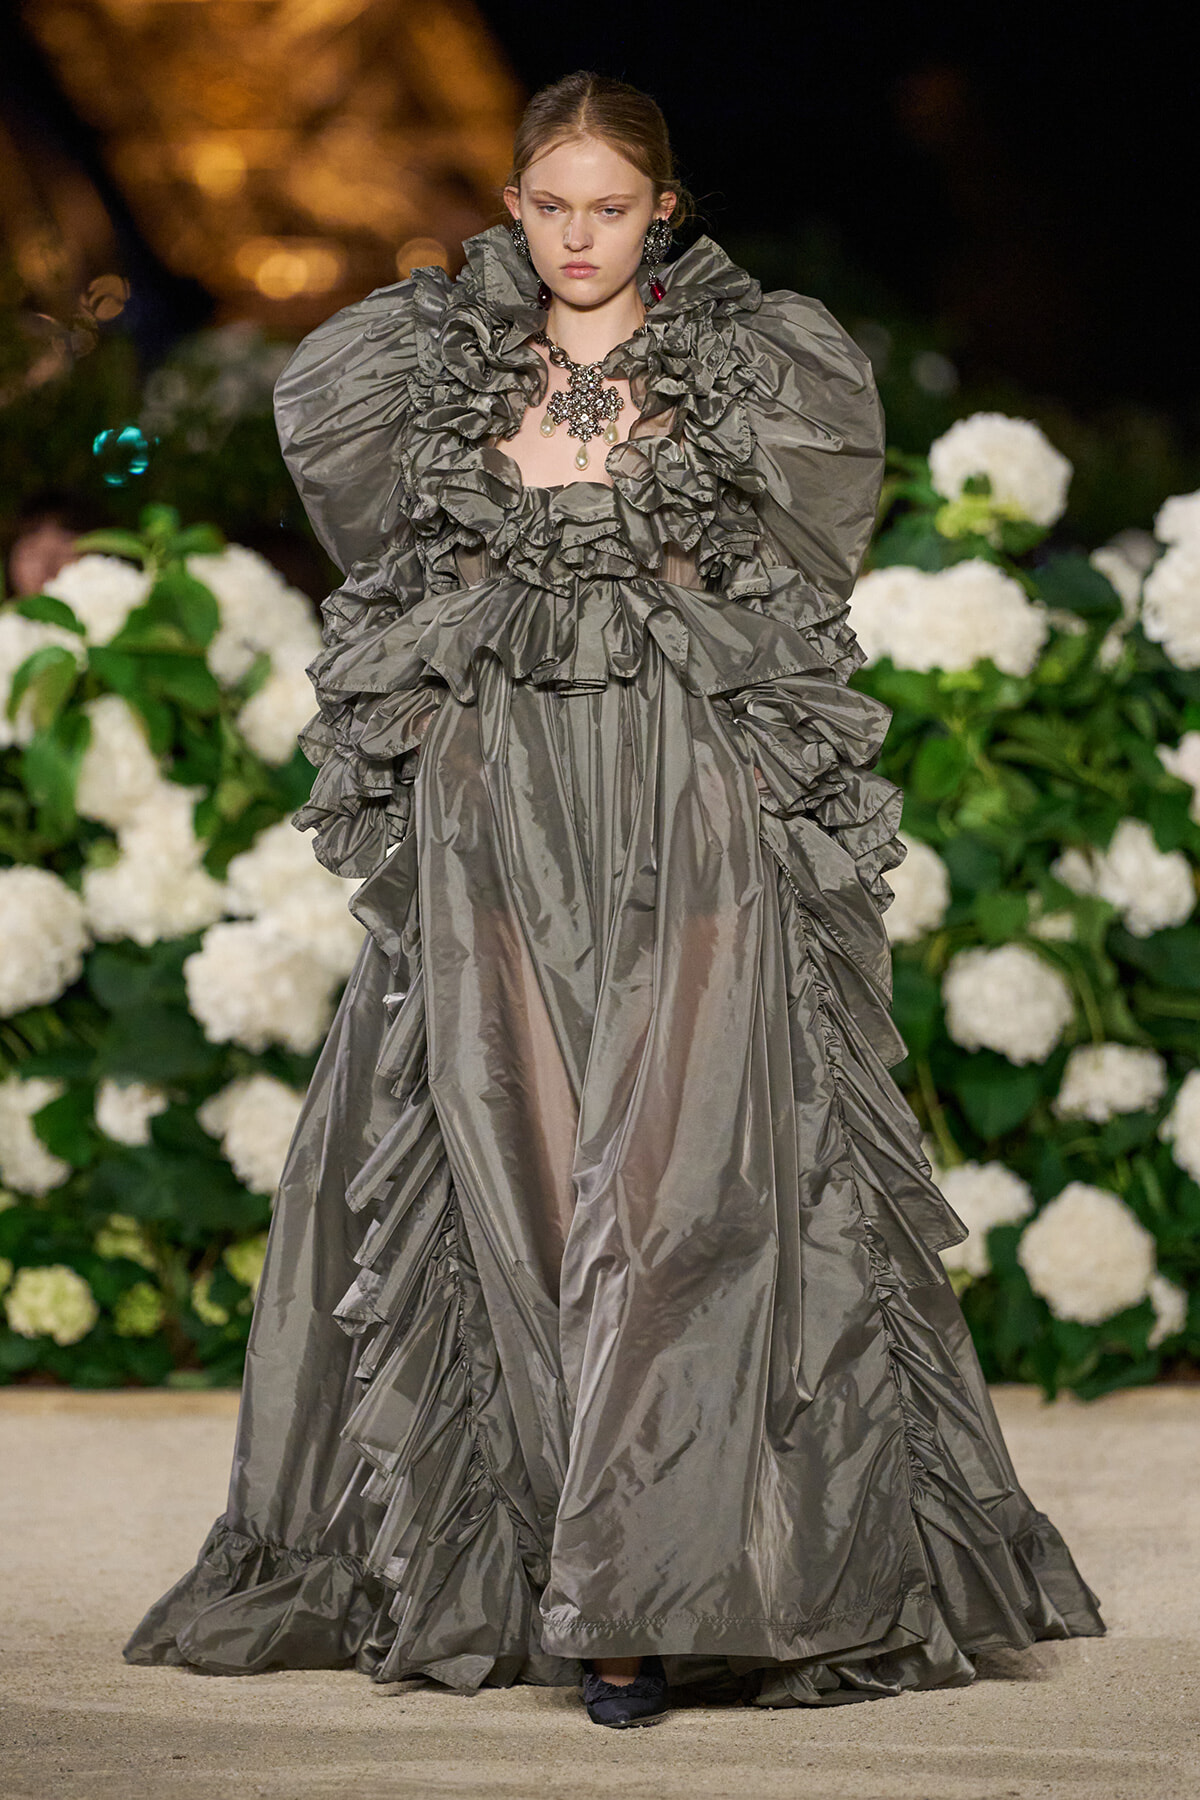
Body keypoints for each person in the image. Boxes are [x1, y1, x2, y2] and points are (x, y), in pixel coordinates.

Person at [124, 71, 1105, 1730]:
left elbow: (796, 580)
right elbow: (391, 573)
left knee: (678, 1186)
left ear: (665, 211)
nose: (580, 238)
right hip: (495, 817)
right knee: (522, 1173)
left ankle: (648, 1596)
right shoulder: (428, 368)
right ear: (513, 207)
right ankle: (569, 1572)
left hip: (689, 809)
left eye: (613, 207)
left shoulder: (756, 367)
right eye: (551, 206)